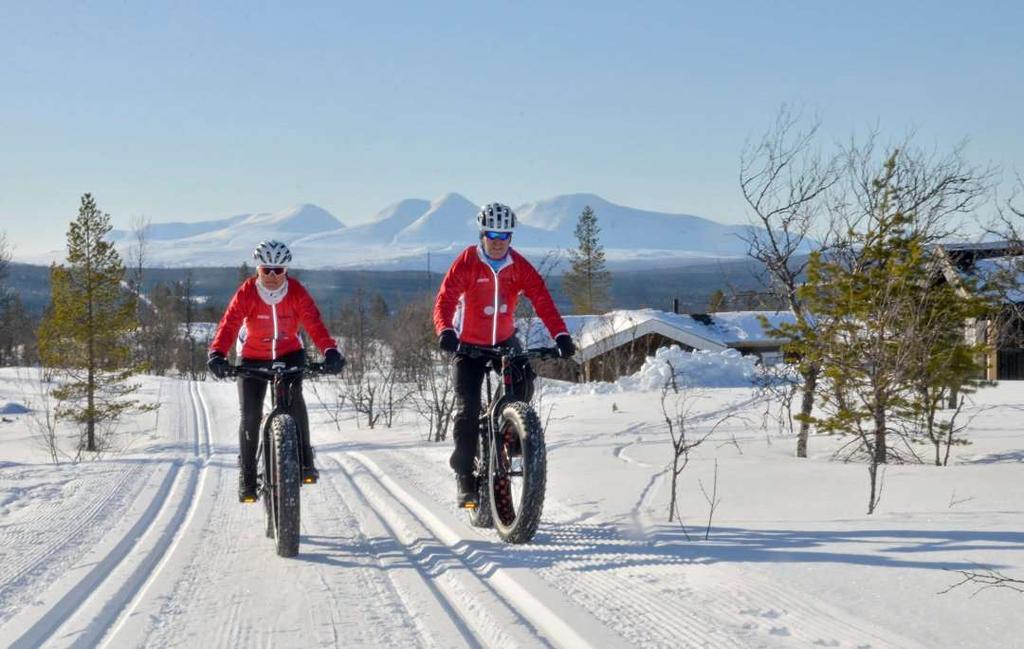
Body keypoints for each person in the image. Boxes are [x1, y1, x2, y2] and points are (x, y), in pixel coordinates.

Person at [433, 203, 576, 507]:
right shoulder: (468, 262)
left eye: (505, 235)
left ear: (511, 237)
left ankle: (509, 427)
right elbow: (445, 300)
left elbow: (542, 299)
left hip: (504, 341)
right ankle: (465, 477)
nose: (498, 241)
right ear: (482, 233)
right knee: (467, 411)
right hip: (468, 347)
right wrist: (445, 330)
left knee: (523, 381)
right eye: (492, 234)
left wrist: (561, 335)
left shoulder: (518, 265)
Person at [207, 240, 345, 503]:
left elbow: (314, 323)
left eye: (277, 270)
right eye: (266, 269)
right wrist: (217, 354)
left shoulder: (296, 292)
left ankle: (305, 461)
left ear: (286, 270)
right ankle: (247, 477)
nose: (271, 276)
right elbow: (230, 323)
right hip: (252, 358)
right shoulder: (247, 292)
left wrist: (330, 351)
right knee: (250, 415)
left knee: (295, 402)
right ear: (257, 269)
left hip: (289, 353)